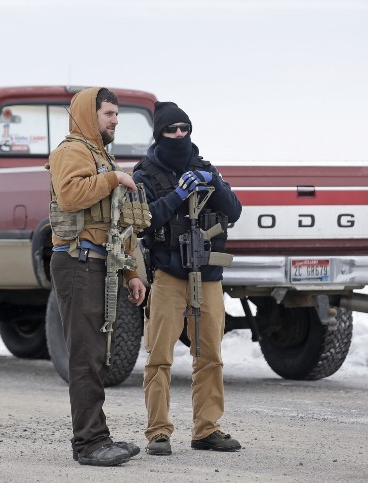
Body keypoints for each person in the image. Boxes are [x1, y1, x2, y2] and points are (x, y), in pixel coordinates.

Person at [132, 101, 243, 456]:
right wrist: (177, 194)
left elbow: (234, 211)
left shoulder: (204, 167)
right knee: (159, 356)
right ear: (159, 134)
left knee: (210, 355)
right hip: (168, 275)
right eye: (171, 130)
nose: (179, 136)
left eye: (184, 128)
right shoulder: (144, 174)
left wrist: (215, 184)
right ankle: (158, 433)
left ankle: (207, 429)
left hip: (208, 275)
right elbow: (144, 220)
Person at [47, 87, 147, 467]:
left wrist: (132, 273)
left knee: (97, 354)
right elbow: (71, 196)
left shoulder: (99, 155)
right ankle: (88, 443)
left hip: (99, 264)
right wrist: (114, 179)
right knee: (85, 356)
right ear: (90, 115)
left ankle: (97, 436)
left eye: (117, 114)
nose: (115, 120)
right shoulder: (72, 151)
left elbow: (118, 223)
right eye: (108, 113)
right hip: (77, 263)